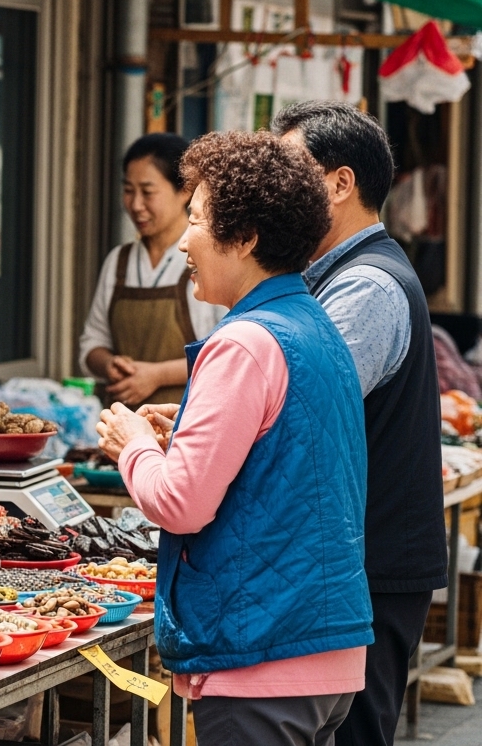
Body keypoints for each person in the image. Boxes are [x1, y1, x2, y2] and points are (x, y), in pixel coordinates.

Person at [97, 131, 373, 745]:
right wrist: (189, 427)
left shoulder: (243, 343)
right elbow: (281, 460)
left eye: (195, 220)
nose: (186, 242)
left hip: (262, 656)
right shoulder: (314, 326)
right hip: (323, 650)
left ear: (245, 238)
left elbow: (180, 504)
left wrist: (135, 444)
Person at [273, 101, 448, 746]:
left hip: (371, 566)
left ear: (340, 183)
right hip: (352, 563)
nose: (277, 192)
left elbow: (298, 406)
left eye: (292, 173)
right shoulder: (329, 278)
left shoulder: (368, 285)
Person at [79, 133, 225, 407]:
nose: (135, 205)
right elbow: (91, 344)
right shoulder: (118, 262)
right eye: (128, 190)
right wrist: (109, 364)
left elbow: (226, 354)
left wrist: (157, 376)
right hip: (124, 429)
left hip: (188, 425)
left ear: (184, 191)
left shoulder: (209, 259)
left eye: (147, 192)